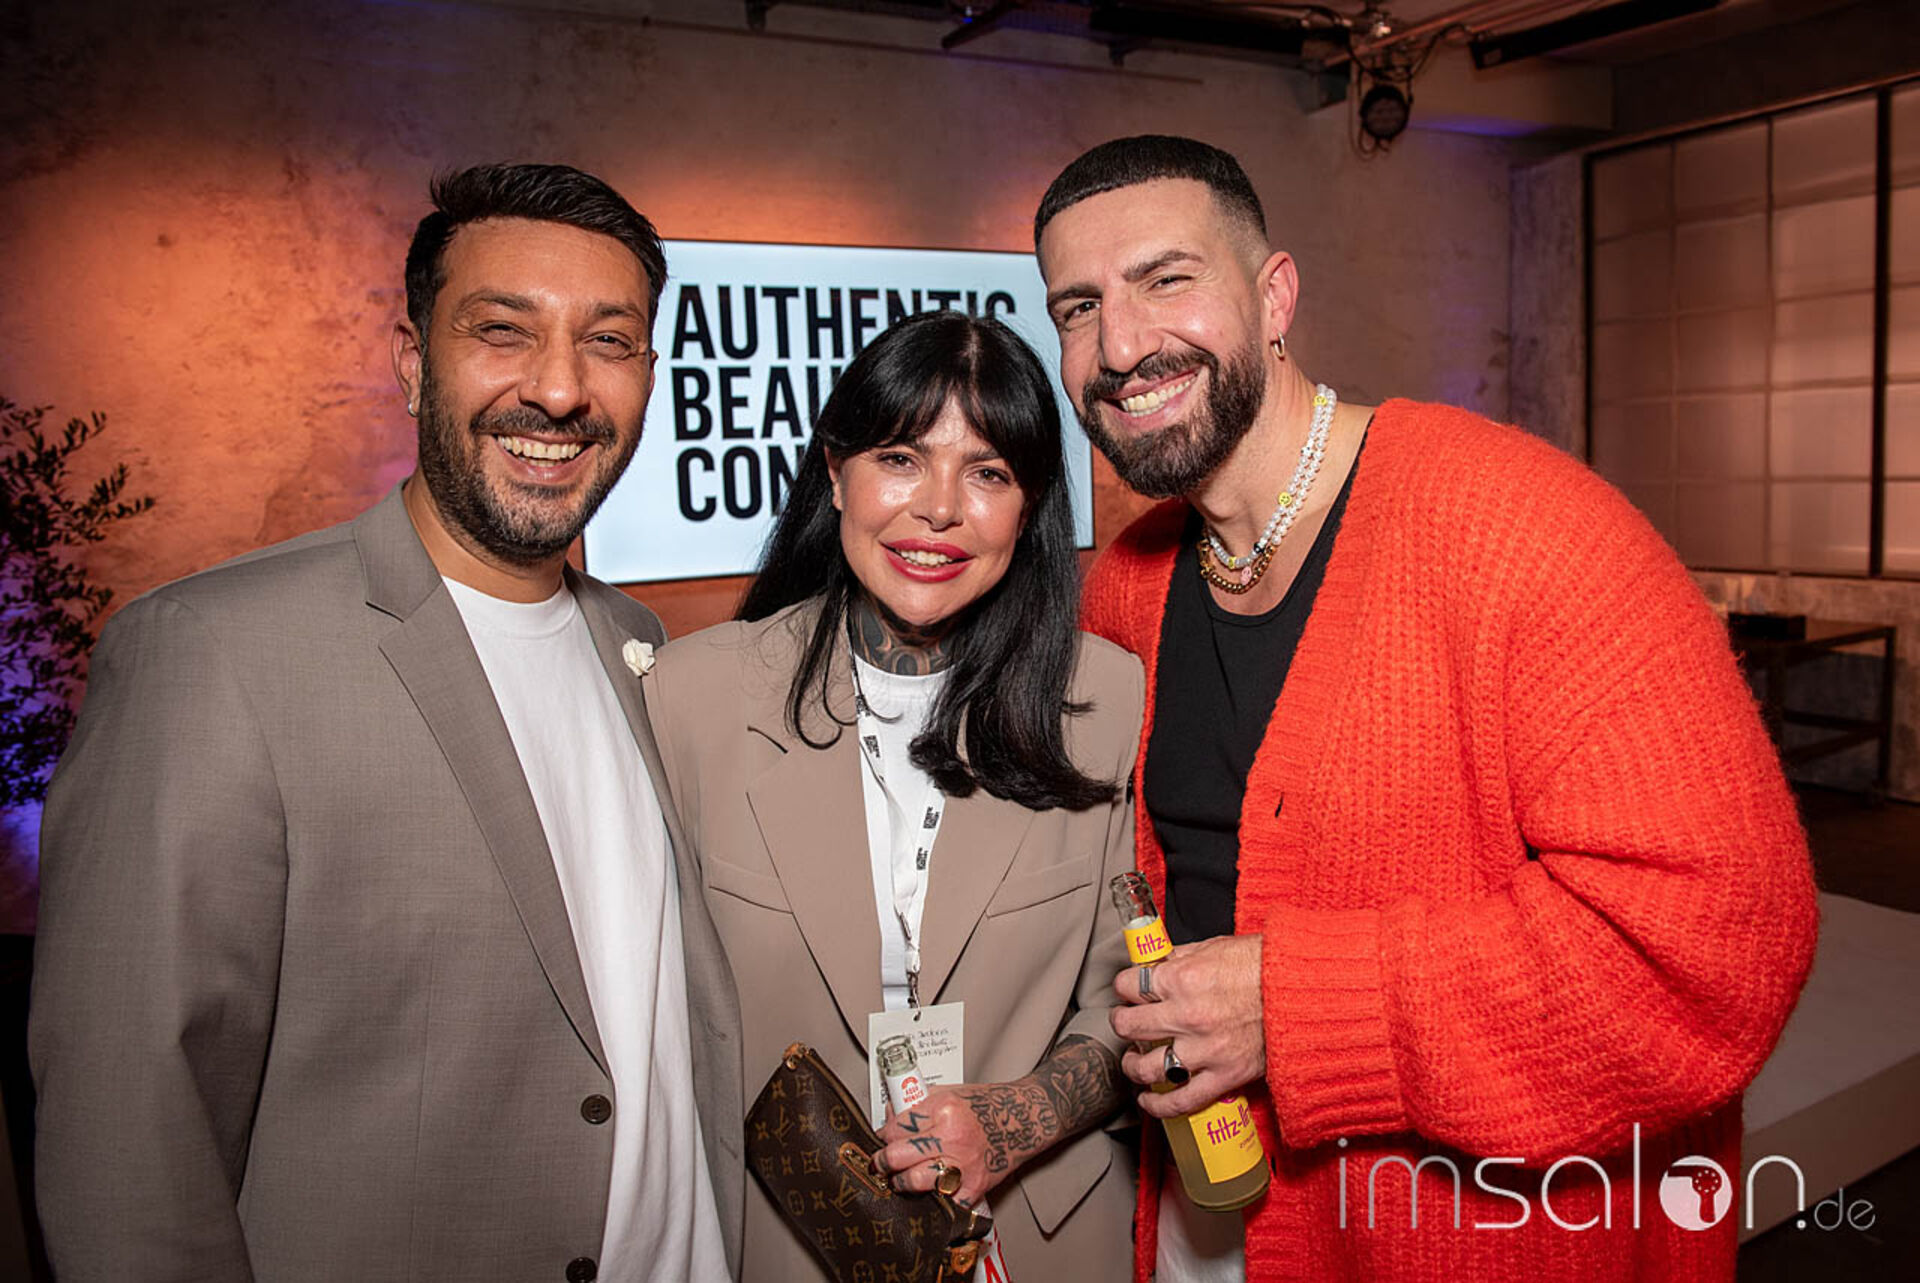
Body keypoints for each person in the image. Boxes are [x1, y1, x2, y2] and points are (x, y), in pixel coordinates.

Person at [1033, 134, 1819, 1282]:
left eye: (1166, 279)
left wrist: (1295, 1009)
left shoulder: (1528, 531)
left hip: (1477, 1239)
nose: (1120, 346)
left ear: (1274, 296)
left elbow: (1719, 947)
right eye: (1078, 306)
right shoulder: (1128, 584)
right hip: (1208, 1212)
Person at [30, 163, 741, 1283]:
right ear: (413, 362)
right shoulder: (214, 653)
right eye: (503, 331)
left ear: (648, 374)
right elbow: (128, 1135)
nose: (561, 390)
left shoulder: (636, 639)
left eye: (608, 342)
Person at [646, 308, 1142, 1281]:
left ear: (1030, 504)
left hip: (1037, 1239)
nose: (940, 508)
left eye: (988, 472)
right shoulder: (690, 697)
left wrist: (1010, 1119)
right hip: (787, 1241)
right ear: (836, 473)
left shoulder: (1103, 698)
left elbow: (1128, 997)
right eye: (902, 458)